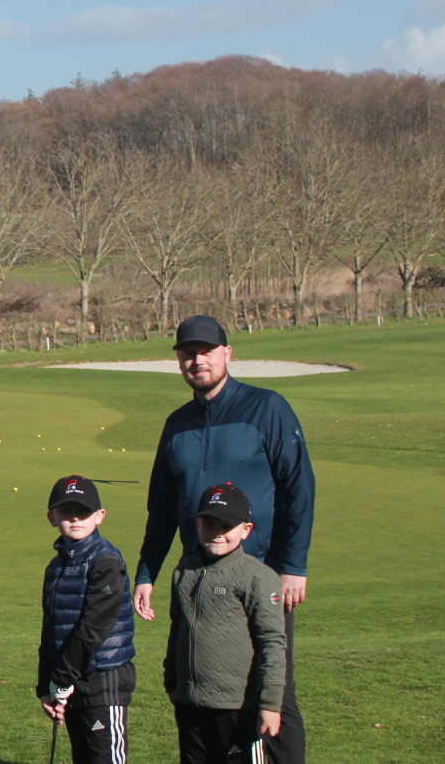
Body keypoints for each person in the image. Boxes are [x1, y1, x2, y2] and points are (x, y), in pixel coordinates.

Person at [134, 315, 313, 764]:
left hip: (259, 577)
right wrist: (147, 572)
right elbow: (161, 508)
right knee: (198, 692)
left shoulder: (267, 408)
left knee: (272, 693)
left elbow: (298, 489)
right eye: (187, 353)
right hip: (195, 577)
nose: (197, 360)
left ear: (227, 353)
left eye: (206, 351)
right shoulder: (177, 424)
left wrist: (292, 565)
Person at [165, 484, 286, 763]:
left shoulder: (257, 577)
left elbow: (272, 642)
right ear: (197, 523)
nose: (217, 532)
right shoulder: (184, 571)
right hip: (190, 703)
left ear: (246, 529)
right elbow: (177, 630)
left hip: (238, 707)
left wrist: (270, 703)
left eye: (227, 525)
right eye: (209, 523)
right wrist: (172, 681)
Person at [37, 476, 136, 764]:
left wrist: (61, 678)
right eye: (66, 512)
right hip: (70, 680)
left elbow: (94, 628)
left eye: (83, 511)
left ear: (99, 516)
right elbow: (50, 629)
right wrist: (46, 686)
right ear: (52, 518)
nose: (75, 518)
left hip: (103, 679)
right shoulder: (56, 566)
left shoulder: (105, 561)